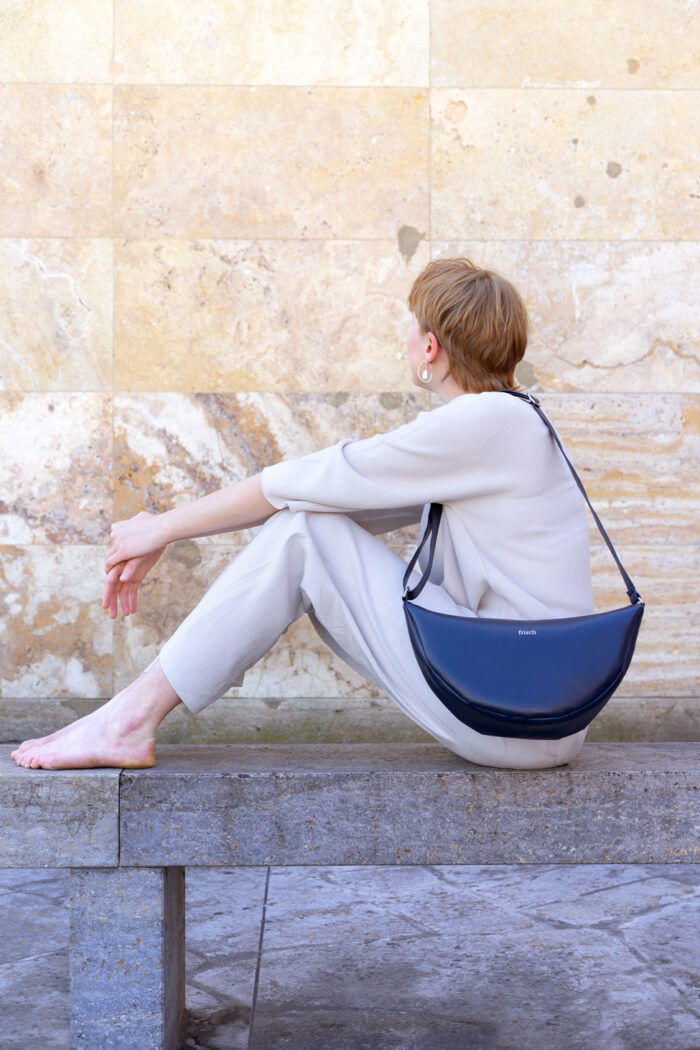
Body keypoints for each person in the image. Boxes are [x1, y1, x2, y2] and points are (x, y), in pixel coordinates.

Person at [11, 257, 594, 772]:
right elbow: (323, 502)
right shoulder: (510, 425)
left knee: (302, 531)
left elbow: (301, 486)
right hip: (533, 711)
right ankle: (127, 716)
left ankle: (128, 720)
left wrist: (160, 526)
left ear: (430, 348)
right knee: (303, 527)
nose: (408, 341)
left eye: (411, 329)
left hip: (512, 711)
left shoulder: (484, 424)